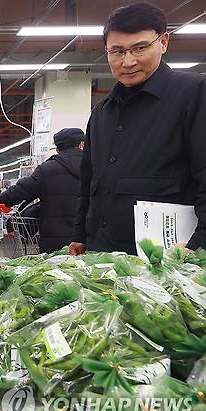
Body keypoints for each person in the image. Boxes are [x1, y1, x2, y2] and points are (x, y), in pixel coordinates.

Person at [70, 3, 206, 256]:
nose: (128, 61)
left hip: (169, 261)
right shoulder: (102, 111)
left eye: (140, 48)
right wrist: (80, 235)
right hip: (104, 256)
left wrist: (199, 244)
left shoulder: (194, 94)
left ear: (163, 42)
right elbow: (89, 181)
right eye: (117, 51)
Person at [0, 128, 84, 253]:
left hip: (53, 244)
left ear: (57, 149)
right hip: (86, 240)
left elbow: (21, 190)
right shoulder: (96, 168)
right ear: (81, 145)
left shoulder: (46, 170)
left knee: (53, 273)